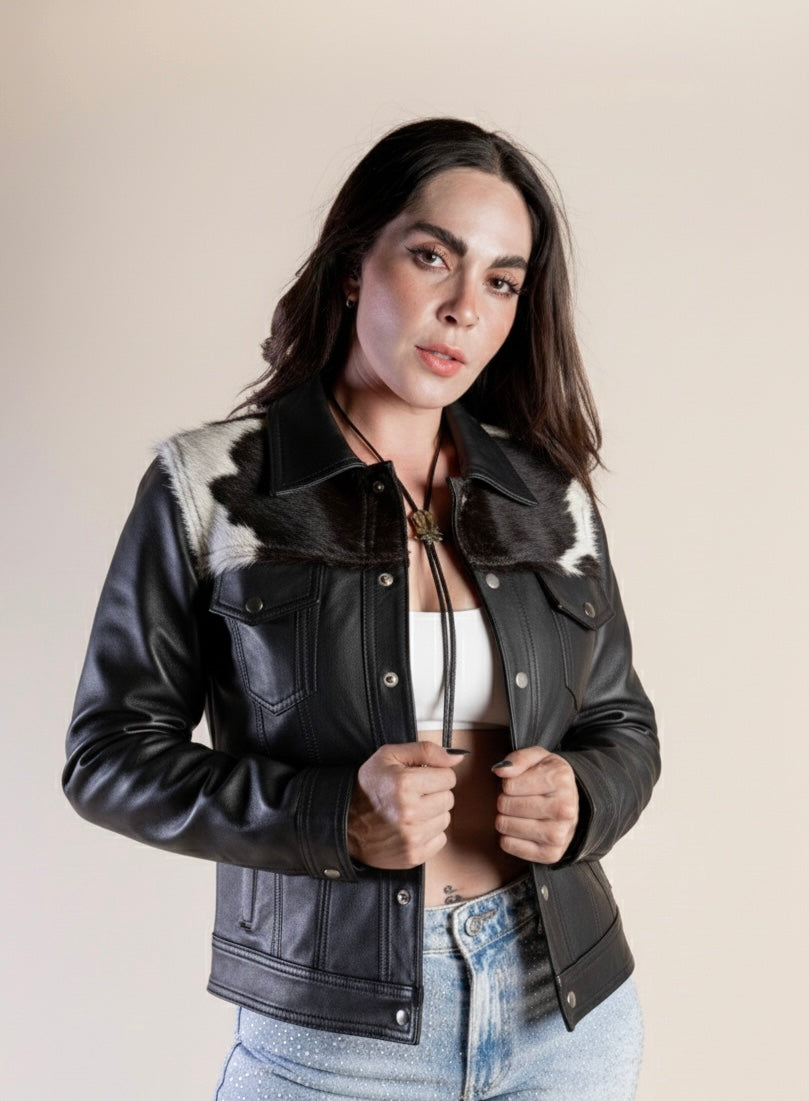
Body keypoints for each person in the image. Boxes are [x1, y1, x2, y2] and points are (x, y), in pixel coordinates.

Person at [64, 118, 659, 1100]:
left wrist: (584, 795)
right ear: (353, 266)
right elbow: (107, 756)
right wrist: (328, 815)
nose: (461, 309)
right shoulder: (211, 486)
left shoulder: (549, 497)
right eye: (432, 257)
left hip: (565, 1009)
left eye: (501, 282)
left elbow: (620, 722)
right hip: (333, 1034)